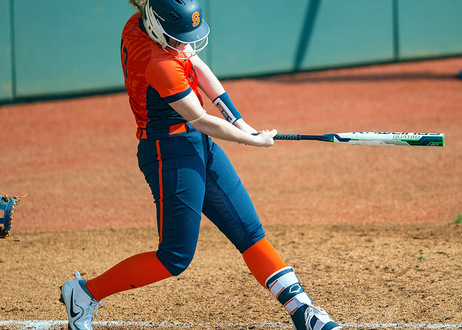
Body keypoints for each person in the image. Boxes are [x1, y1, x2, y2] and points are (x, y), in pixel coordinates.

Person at [59, 0, 342, 329]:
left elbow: (197, 65)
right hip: (169, 153)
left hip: (195, 143)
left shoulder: (149, 27)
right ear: (155, 23)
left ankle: (303, 312)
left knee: (249, 232)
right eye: (179, 37)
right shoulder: (157, 62)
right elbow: (200, 118)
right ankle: (85, 293)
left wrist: (240, 121)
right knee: (174, 257)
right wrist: (252, 140)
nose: (184, 43)